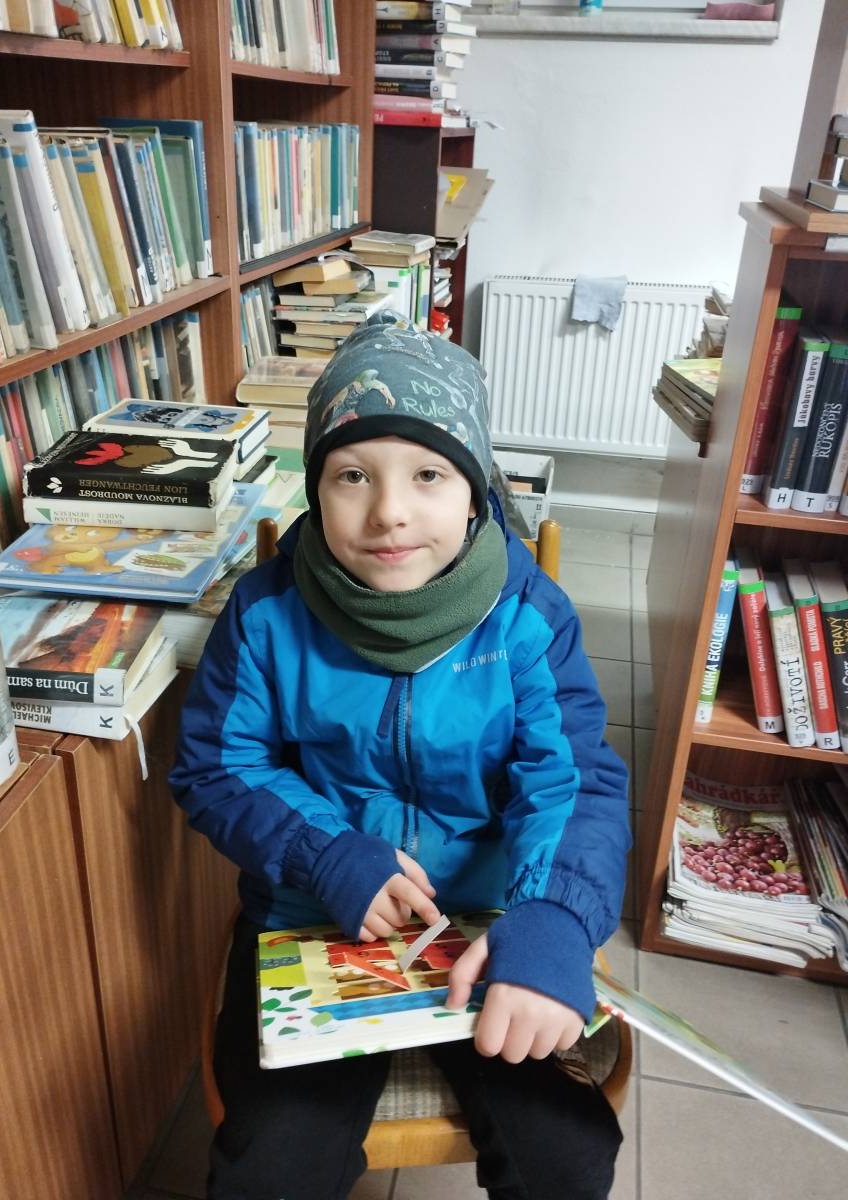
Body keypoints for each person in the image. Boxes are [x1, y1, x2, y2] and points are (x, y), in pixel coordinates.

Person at [170, 311, 631, 1200]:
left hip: (494, 921)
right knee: (270, 1166)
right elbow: (216, 768)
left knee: (566, 1156)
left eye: (428, 474)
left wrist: (551, 918)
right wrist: (327, 853)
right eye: (352, 475)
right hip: (314, 918)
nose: (389, 511)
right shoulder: (265, 614)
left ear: (475, 492)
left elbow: (573, 780)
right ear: (316, 489)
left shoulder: (528, 617)